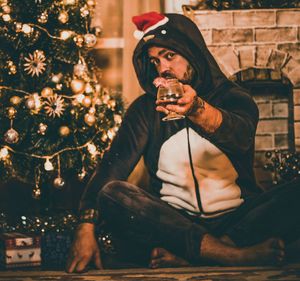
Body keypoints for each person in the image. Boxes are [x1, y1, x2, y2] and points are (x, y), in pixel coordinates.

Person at [66, 11, 300, 273]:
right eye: (155, 61)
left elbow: (240, 138)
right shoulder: (145, 110)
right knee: (113, 193)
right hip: (174, 226)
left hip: (238, 220)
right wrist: (85, 227)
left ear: (192, 52)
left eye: (169, 56)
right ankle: (230, 255)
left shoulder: (234, 97)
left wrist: (197, 109)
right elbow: (112, 169)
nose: (163, 68)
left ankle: (212, 252)